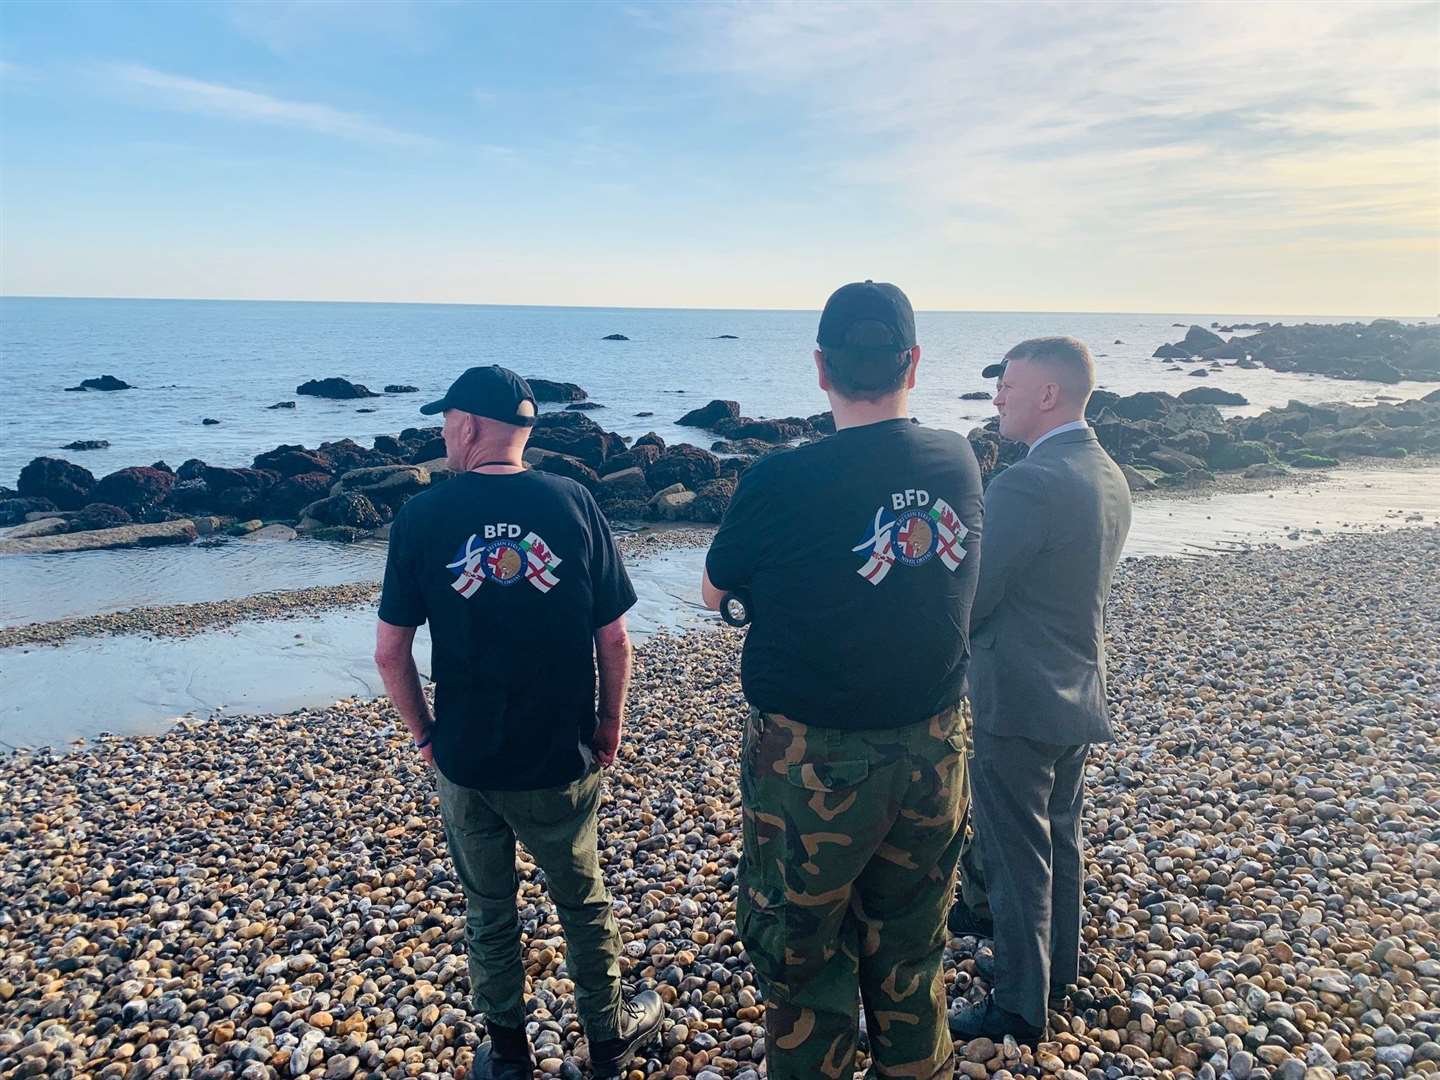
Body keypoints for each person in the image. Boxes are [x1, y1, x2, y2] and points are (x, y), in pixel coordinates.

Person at [701, 281, 984, 1080]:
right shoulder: (958, 458)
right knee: (910, 948)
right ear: (915, 364)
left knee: (800, 955)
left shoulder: (779, 479)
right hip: (935, 746)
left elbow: (717, 591)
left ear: (821, 367)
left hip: (811, 760)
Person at [372, 365, 663, 1080]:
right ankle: (607, 1039)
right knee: (582, 900)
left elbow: (389, 653)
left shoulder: (422, 517)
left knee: (489, 907)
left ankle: (507, 1053)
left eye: (447, 423)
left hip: (467, 756)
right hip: (560, 753)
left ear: (468, 427)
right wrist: (609, 722)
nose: (443, 434)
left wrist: (426, 735)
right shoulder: (574, 504)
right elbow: (616, 640)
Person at [950, 337, 1132, 1044]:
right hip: (1078, 682)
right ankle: (1060, 969)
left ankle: (1021, 1005)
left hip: (1019, 694)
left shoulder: (1026, 483)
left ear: (1049, 395)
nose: (998, 398)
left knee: (1017, 854)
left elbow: (978, 595)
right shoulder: (1106, 471)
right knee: (1061, 836)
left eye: (1010, 386)